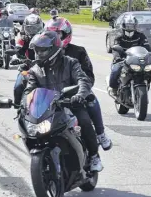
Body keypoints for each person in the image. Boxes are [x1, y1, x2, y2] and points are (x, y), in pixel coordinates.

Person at [23, 31, 103, 172]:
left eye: (42, 50)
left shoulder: (70, 63)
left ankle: (94, 156)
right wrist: (24, 104)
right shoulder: (35, 70)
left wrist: (79, 95)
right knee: (28, 128)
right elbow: (29, 90)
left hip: (70, 103)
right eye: (36, 51)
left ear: (53, 49)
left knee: (84, 121)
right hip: (48, 107)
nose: (38, 54)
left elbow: (83, 80)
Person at [45, 17, 112, 151]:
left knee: (90, 107)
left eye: (58, 34)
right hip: (51, 95)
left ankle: (100, 136)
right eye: (51, 34)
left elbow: (88, 75)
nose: (55, 38)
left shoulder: (78, 51)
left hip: (75, 94)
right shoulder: (44, 52)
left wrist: (80, 90)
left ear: (66, 34)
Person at [108, 15, 151, 96]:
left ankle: (145, 85)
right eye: (127, 25)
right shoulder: (119, 37)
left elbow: (147, 47)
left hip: (136, 60)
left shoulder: (140, 36)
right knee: (115, 70)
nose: (129, 27)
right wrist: (117, 57)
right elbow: (115, 48)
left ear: (135, 26)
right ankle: (114, 88)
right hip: (122, 59)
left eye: (132, 25)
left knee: (149, 71)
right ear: (123, 25)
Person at [12, 14, 44, 105]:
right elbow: (17, 49)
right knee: (18, 86)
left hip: (45, 68)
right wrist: (16, 57)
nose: (33, 31)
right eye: (30, 28)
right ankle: (18, 105)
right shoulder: (23, 39)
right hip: (27, 68)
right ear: (25, 28)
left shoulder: (46, 38)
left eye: (36, 28)